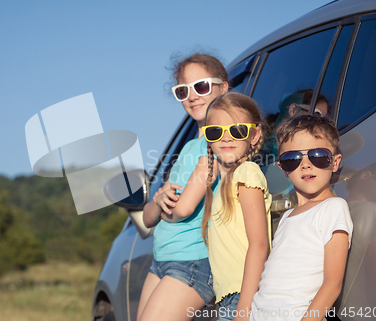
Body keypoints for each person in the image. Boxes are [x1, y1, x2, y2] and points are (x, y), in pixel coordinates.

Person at [138, 53, 228, 321]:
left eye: (201, 86)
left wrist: (162, 203)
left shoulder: (220, 142)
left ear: (223, 87)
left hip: (191, 261)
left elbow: (183, 210)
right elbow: (148, 217)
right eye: (182, 90)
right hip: (161, 260)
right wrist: (158, 201)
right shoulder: (188, 146)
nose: (192, 96)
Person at [250, 115, 354, 321]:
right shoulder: (287, 216)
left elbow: (332, 284)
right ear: (283, 169)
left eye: (318, 156)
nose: (305, 165)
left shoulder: (334, 207)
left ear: (335, 162)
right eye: (292, 159)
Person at [201, 93, 272, 321]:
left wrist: (243, 311)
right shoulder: (222, 184)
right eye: (215, 131)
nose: (226, 138)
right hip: (231, 298)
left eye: (237, 130)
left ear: (254, 135)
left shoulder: (246, 173)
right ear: (207, 138)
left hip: (245, 295)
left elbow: (259, 244)